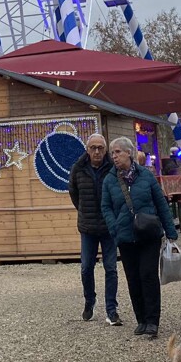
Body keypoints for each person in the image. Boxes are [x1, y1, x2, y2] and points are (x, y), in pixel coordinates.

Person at [100, 136, 178, 340]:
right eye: (112, 153)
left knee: (148, 275)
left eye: (118, 152)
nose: (114, 156)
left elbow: (160, 203)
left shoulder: (146, 176)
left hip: (149, 234)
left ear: (129, 153)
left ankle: (152, 321)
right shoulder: (109, 180)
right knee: (133, 278)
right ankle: (141, 319)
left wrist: (170, 231)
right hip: (125, 236)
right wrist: (114, 228)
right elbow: (106, 207)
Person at [68, 133, 121, 326]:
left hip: (108, 226)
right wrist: (84, 210)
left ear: (105, 150)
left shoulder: (113, 169)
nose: (97, 151)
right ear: (87, 149)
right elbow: (73, 192)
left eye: (100, 148)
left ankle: (111, 309)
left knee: (111, 268)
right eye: (93, 148)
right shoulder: (78, 168)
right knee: (86, 267)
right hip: (88, 226)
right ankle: (89, 301)